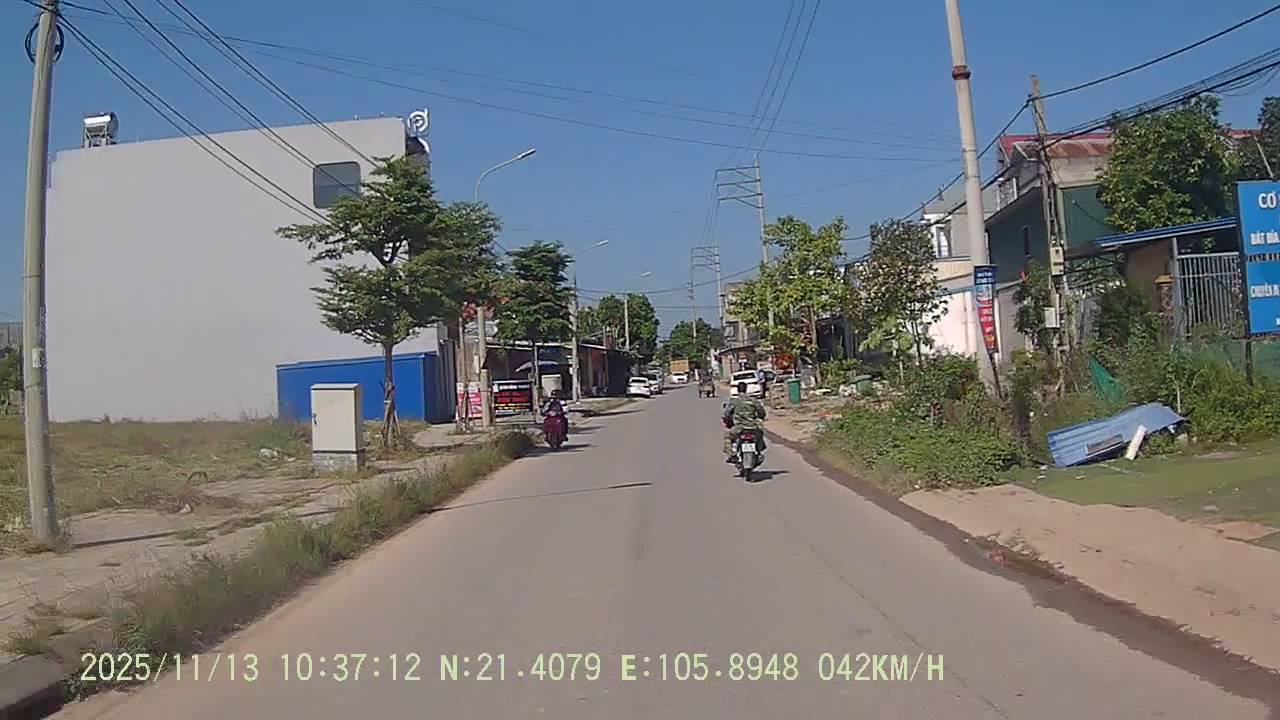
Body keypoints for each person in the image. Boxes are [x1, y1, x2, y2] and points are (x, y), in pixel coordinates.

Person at [723, 382, 767, 462]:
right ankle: (759, 452)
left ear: (738, 390)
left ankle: (732, 455)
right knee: (760, 434)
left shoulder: (734, 401)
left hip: (739, 428)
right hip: (753, 427)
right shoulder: (753, 401)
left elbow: (727, 414)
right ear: (746, 389)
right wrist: (760, 418)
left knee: (727, 437)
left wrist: (727, 421)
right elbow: (761, 413)